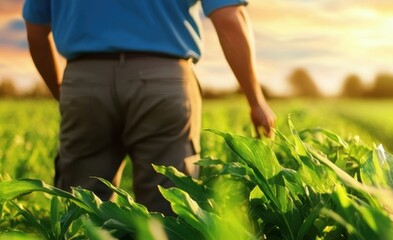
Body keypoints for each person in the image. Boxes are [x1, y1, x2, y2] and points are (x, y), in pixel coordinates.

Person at [23, 0, 276, 215]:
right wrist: (256, 100)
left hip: (85, 79)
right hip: (164, 80)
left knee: (83, 209)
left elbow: (36, 29)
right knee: (170, 209)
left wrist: (67, 92)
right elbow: (230, 18)